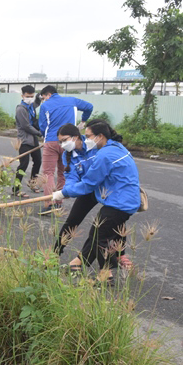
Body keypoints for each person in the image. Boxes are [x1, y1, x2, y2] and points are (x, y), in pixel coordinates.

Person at [53, 120, 140, 283]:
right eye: (60, 141)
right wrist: (65, 191)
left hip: (109, 193)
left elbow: (89, 183)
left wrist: (65, 192)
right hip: (104, 192)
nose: (62, 144)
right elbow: (72, 177)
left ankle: (109, 268)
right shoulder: (73, 154)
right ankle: (60, 256)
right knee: (82, 223)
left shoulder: (101, 152)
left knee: (104, 229)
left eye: (65, 140)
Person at [38, 85, 93, 215]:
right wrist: (83, 121)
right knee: (63, 171)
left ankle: (49, 203)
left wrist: (45, 136)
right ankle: (58, 202)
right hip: (69, 142)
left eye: (43, 97)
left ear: (48, 94)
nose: (44, 100)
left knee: (48, 173)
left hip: (51, 141)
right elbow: (89, 107)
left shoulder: (45, 106)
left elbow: (42, 125)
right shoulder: (72, 101)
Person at [12, 85, 43, 197]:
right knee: (23, 165)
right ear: (22, 96)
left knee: (38, 161)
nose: (30, 98)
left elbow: (37, 103)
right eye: (28, 96)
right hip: (24, 140)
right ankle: (16, 189)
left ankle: (32, 183)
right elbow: (26, 126)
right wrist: (40, 133)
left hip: (33, 139)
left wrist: (39, 96)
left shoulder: (30, 106)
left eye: (32, 96)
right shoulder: (21, 109)